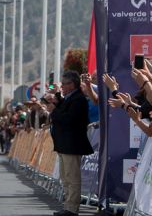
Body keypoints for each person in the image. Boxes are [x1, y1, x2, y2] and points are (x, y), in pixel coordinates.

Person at [47, 71, 94, 216]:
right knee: (66, 177)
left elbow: (69, 119)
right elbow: (64, 110)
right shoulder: (70, 98)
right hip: (64, 144)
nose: (62, 87)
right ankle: (67, 206)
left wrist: (54, 111)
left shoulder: (78, 99)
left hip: (72, 144)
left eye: (64, 84)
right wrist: (57, 102)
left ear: (72, 84)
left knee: (72, 178)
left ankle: (72, 209)